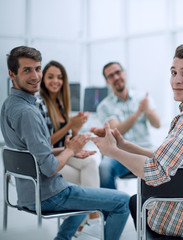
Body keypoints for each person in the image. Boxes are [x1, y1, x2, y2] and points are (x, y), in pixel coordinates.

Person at [91, 43, 183, 239]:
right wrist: (124, 145)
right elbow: (169, 157)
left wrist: (113, 151)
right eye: (173, 72)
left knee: (135, 200)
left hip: (182, 223)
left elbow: (155, 171)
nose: (176, 80)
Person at [1, 46, 130, 240]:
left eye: (37, 68)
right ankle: (94, 222)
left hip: (30, 192)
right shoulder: (28, 112)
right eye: (27, 70)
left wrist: (70, 149)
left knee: (86, 182)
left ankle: (67, 236)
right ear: (12, 74)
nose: (35, 76)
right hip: (49, 194)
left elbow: (35, 151)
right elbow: (50, 169)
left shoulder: (9, 104)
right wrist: (70, 150)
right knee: (123, 202)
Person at [36, 60, 101, 232]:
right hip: (50, 159)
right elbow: (44, 143)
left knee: (91, 163)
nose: (55, 81)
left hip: (63, 152)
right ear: (43, 79)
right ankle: (90, 220)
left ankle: (83, 223)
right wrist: (68, 125)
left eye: (59, 77)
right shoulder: (39, 104)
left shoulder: (60, 103)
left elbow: (66, 137)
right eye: (50, 77)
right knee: (82, 178)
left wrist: (76, 127)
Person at [96, 61, 161, 189]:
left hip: (144, 150)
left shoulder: (142, 97)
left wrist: (147, 110)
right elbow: (117, 130)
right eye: (111, 76)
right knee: (104, 168)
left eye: (118, 73)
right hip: (120, 155)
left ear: (124, 74)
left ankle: (154, 207)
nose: (116, 77)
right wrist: (137, 113)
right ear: (107, 81)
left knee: (165, 164)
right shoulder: (104, 106)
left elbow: (157, 124)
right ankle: (114, 207)